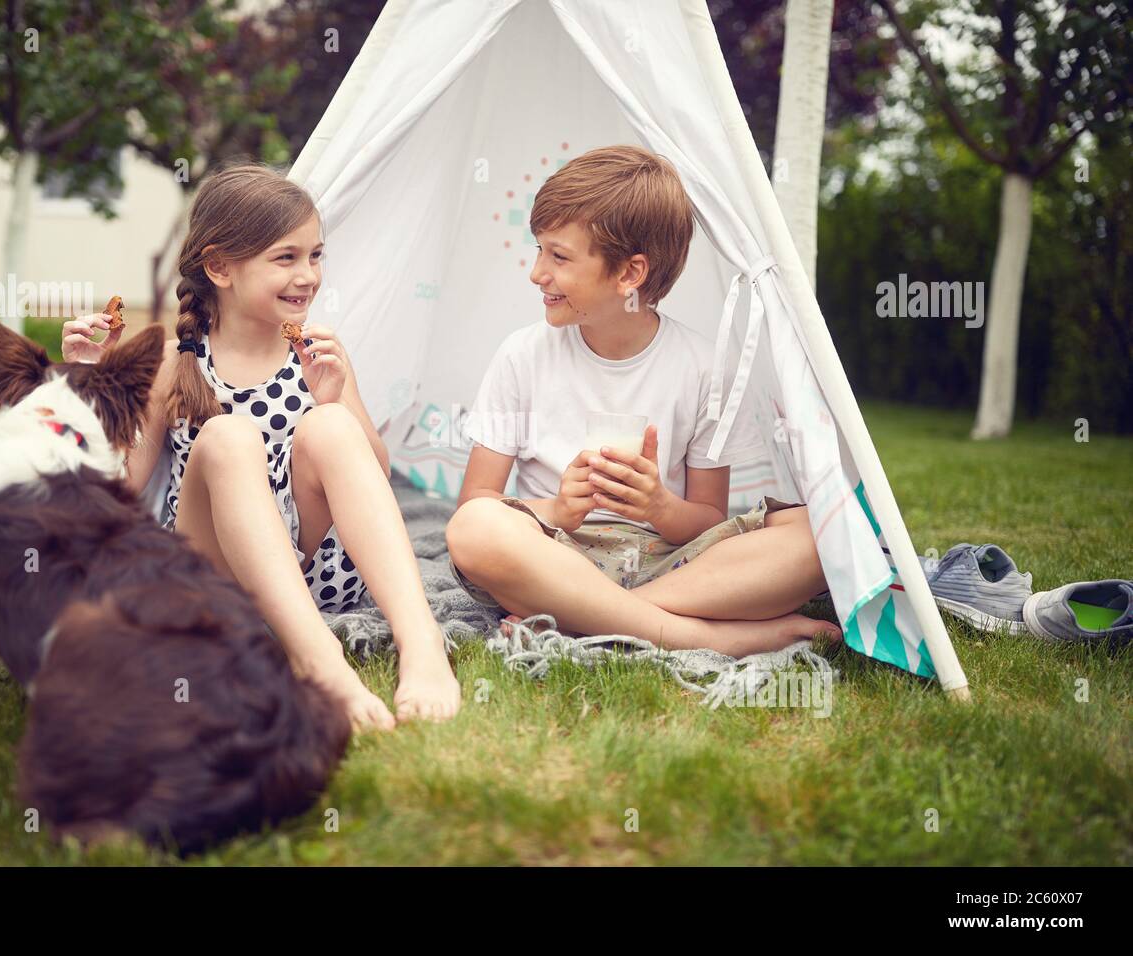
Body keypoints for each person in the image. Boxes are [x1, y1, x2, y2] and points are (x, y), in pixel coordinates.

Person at [62, 162, 460, 730]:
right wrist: (90, 385)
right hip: (213, 579)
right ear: (220, 267)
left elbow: (374, 474)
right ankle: (318, 660)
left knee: (332, 429)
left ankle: (420, 641)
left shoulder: (317, 351)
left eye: (315, 255)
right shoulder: (177, 363)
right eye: (286, 258)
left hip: (314, 572)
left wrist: (333, 398)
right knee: (227, 437)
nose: (308, 276)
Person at [445, 145, 841, 656]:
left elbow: (706, 518)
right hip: (558, 558)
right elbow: (477, 501)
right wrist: (559, 510)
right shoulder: (523, 355)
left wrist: (658, 506)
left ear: (630, 275)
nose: (537, 272)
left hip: (671, 562)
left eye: (558, 256)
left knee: (818, 532)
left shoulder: (704, 366)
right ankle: (691, 635)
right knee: (475, 528)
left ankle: (588, 623)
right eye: (539, 249)